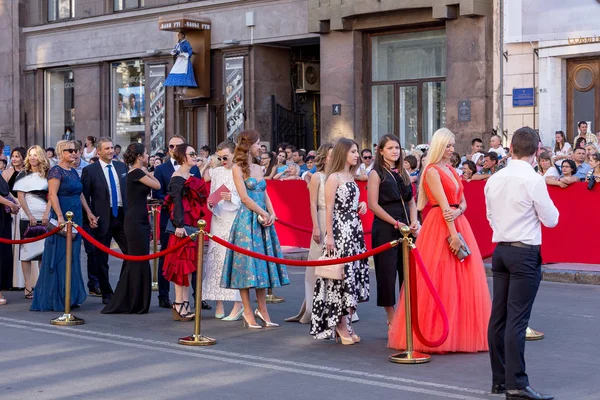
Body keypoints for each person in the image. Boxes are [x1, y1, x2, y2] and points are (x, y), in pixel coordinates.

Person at [388, 128, 492, 353]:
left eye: (453, 145)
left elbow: (463, 201)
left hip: (457, 221)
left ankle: (459, 330)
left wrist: (459, 212)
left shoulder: (452, 170)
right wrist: (454, 234)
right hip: (442, 226)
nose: (451, 149)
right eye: (448, 145)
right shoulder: (433, 171)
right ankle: (435, 332)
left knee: (462, 280)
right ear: (438, 146)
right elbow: (444, 207)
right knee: (439, 277)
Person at [485, 127, 558, 400]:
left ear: (511, 148)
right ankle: (516, 383)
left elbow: (490, 216)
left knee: (499, 318)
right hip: (525, 251)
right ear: (537, 151)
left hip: (501, 249)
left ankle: (500, 380)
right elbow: (551, 219)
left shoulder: (495, 178)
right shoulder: (534, 179)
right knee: (517, 320)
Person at [221, 129, 290, 329]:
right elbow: (244, 197)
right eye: (258, 143)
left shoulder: (259, 167)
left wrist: (272, 212)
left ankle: (263, 309)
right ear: (247, 145)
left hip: (262, 220)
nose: (260, 147)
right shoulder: (237, 168)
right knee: (245, 267)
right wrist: (263, 212)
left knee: (261, 267)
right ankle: (248, 311)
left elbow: (264, 192)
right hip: (246, 221)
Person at [310, 137, 369, 345]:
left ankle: (347, 323)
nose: (357, 155)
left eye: (357, 152)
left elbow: (350, 202)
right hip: (340, 230)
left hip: (354, 229)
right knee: (341, 277)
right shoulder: (333, 177)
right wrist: (330, 237)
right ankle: (340, 325)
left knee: (352, 277)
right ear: (343, 153)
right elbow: (330, 210)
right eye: (353, 151)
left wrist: (361, 204)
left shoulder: (351, 176)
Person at [31, 140, 93, 312]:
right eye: (70, 151)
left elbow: (79, 194)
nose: (74, 153)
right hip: (64, 215)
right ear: (61, 152)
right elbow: (52, 194)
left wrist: (88, 212)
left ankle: (70, 296)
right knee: (59, 255)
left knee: (72, 256)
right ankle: (56, 297)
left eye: (76, 150)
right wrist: (59, 216)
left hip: (76, 216)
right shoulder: (55, 171)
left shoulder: (73, 171)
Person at [152, 135, 210, 310]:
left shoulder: (190, 173)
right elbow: (175, 202)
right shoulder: (177, 177)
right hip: (182, 225)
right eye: (191, 154)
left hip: (191, 223)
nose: (195, 156)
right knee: (180, 265)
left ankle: (184, 302)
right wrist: (178, 225)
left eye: (194, 153)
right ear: (183, 157)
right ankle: (179, 303)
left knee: (190, 265)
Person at [102, 144, 160, 314]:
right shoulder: (136, 173)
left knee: (139, 260)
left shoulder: (136, 172)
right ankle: (130, 300)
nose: (148, 155)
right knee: (138, 260)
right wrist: (147, 171)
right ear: (139, 156)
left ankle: (135, 300)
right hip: (135, 220)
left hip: (139, 218)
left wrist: (146, 170)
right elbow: (157, 186)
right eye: (146, 153)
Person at [368, 134, 418, 327]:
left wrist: (414, 221)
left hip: (406, 228)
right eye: (390, 148)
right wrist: (396, 223)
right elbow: (373, 205)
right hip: (385, 228)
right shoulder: (376, 173)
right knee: (387, 274)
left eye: (397, 147)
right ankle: (392, 318)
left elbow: (411, 201)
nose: (394, 151)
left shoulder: (402, 173)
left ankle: (408, 315)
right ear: (381, 151)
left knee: (407, 273)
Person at [286, 143, 333, 324]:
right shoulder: (317, 177)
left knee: (336, 265)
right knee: (315, 265)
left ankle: (337, 306)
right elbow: (312, 204)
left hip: (337, 220)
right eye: (330, 155)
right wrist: (315, 226)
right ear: (323, 157)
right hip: (321, 219)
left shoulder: (340, 176)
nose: (332, 158)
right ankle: (314, 308)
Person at [81, 137, 128, 305]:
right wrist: (89, 216)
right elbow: (84, 196)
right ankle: (106, 293)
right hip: (101, 217)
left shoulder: (122, 167)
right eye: (106, 149)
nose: (110, 151)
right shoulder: (90, 170)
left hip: (121, 216)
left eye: (111, 148)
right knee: (101, 259)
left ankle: (123, 289)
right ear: (98, 151)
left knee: (130, 254)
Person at [202, 140, 243, 320]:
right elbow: (211, 196)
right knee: (216, 260)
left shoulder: (240, 171)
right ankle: (218, 301)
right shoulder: (216, 172)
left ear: (234, 154)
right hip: (218, 220)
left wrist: (232, 197)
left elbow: (245, 198)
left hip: (235, 220)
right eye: (220, 157)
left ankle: (238, 303)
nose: (223, 160)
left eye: (225, 156)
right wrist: (212, 204)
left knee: (233, 261)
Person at [14, 146, 51, 299]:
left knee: (43, 253)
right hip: (26, 216)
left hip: (45, 216)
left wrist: (46, 214)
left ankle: (42, 285)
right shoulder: (23, 174)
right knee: (27, 253)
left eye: (36, 155)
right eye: (31, 155)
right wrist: (30, 215)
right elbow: (20, 197)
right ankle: (28, 287)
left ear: (41, 156)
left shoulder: (48, 174)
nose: (33, 158)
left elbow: (51, 196)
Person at [0, 175, 19, 305]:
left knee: (3, 254)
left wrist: (14, 201)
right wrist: (11, 204)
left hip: (3, 218)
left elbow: (6, 192)